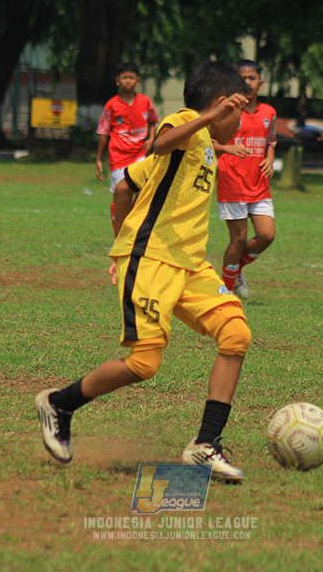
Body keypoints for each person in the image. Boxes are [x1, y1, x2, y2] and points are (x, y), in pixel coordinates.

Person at [37, 61, 252, 482]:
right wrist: (126, 251)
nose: (241, 121)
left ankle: (205, 445)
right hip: (153, 259)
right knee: (144, 365)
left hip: (191, 265)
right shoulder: (188, 121)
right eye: (238, 110)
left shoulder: (203, 142)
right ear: (221, 105)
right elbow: (160, 144)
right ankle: (59, 404)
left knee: (236, 333)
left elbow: (125, 186)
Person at [213, 60, 277, 299]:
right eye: (243, 78)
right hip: (232, 184)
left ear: (261, 83)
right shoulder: (226, 109)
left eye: (252, 78)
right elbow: (207, 141)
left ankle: (235, 271)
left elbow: (270, 140)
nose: (248, 82)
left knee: (267, 236)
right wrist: (228, 149)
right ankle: (226, 292)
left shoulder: (269, 112)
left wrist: (269, 157)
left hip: (259, 184)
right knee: (238, 240)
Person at [94, 61, 158, 233]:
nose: (128, 81)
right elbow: (104, 133)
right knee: (120, 198)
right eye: (124, 78)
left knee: (144, 192)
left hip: (140, 155)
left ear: (137, 80)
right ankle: (118, 238)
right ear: (118, 81)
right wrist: (99, 158)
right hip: (118, 158)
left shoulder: (145, 101)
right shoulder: (112, 105)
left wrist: (151, 139)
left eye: (131, 77)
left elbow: (152, 121)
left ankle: (135, 229)